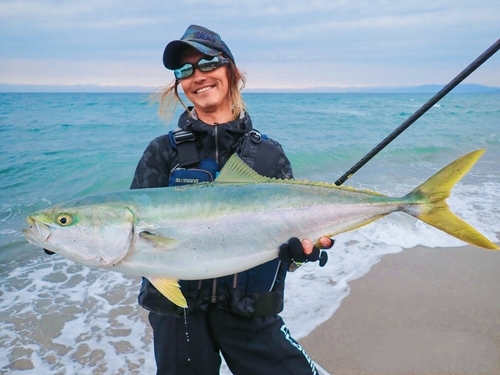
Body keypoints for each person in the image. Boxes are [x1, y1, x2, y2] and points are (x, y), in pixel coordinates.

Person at [130, 24, 333, 375]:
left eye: (208, 63)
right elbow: (132, 233)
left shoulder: (269, 155)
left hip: (250, 309)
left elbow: (291, 245)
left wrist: (302, 253)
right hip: (179, 318)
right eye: (185, 70)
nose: (198, 76)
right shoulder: (162, 153)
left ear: (231, 70)